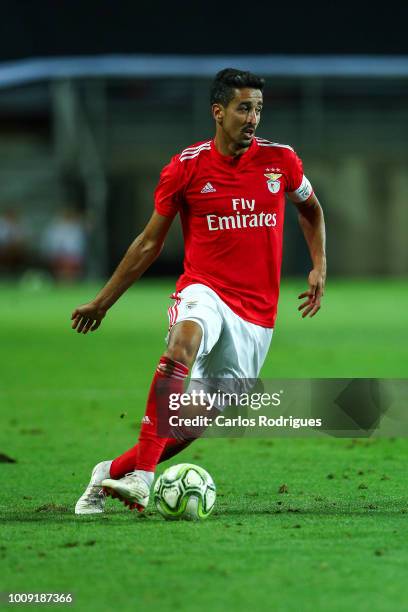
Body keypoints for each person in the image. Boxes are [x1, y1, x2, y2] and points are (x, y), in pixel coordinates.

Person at [73, 68, 326, 515]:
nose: (253, 119)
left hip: (257, 318)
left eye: (259, 110)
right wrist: (102, 302)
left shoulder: (282, 161)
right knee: (184, 339)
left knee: (188, 427)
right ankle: (144, 479)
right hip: (204, 291)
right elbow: (149, 243)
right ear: (218, 111)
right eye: (244, 108)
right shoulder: (186, 167)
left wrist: (319, 266)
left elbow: (311, 209)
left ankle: (108, 472)